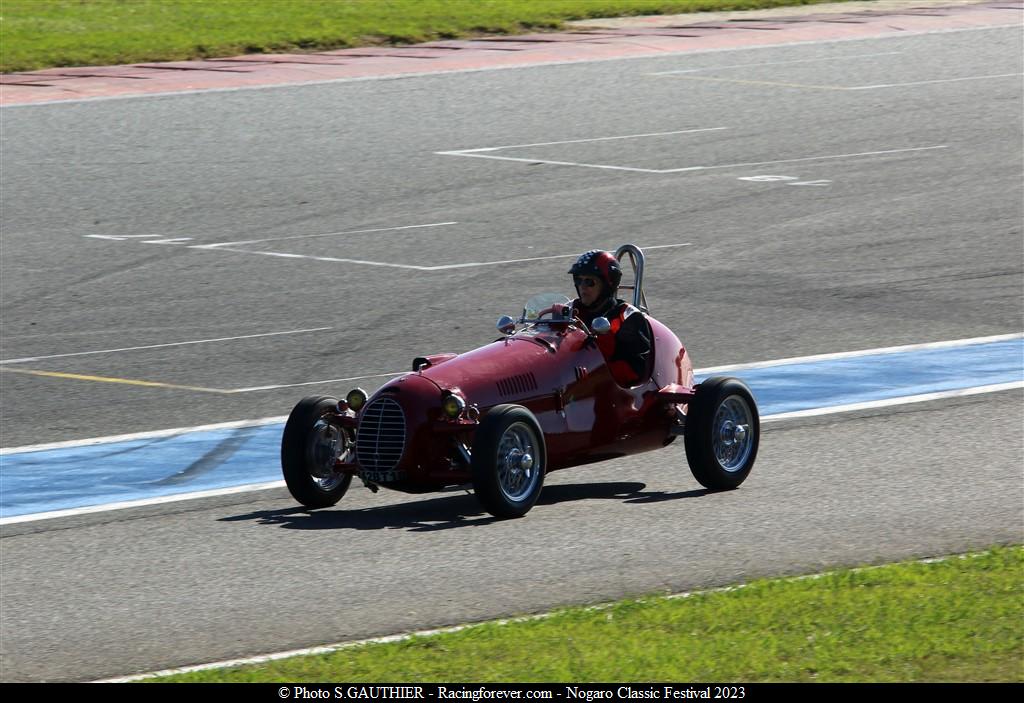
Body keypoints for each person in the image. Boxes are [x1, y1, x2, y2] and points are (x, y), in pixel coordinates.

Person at [568, 249, 652, 387]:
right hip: (570, 387)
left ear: (608, 285)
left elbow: (636, 373)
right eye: (578, 280)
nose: (582, 287)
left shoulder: (627, 318)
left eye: (589, 282)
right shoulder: (570, 311)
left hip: (611, 398)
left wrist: (596, 366)